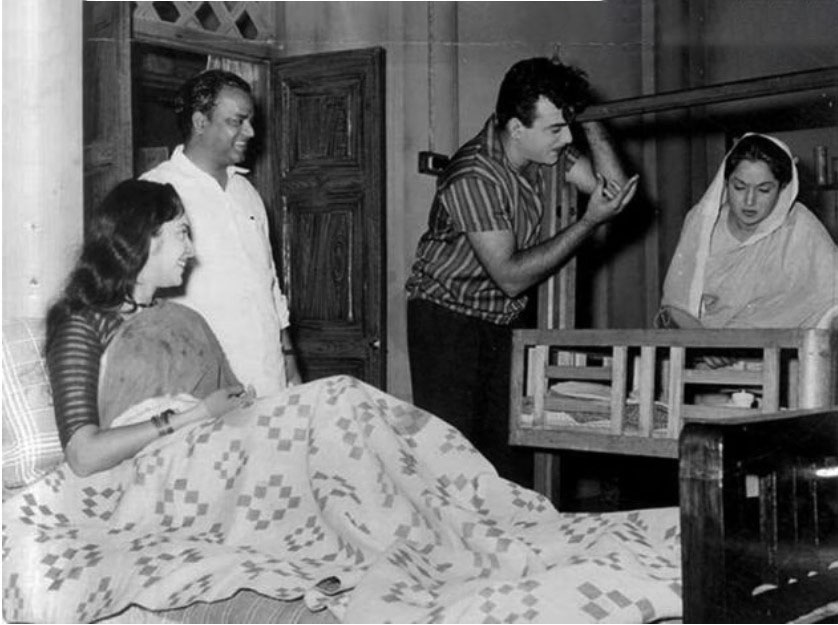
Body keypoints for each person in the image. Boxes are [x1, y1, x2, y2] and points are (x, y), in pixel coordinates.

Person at [405, 57, 639, 487]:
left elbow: (616, 193)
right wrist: (587, 222)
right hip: (447, 321)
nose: (565, 138)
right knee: (453, 463)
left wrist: (587, 118)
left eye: (566, 125)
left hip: (502, 320)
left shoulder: (547, 153)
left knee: (509, 463)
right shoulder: (473, 175)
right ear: (516, 129)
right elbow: (510, 275)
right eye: (555, 129)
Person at [45, 179, 252, 477]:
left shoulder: (186, 320)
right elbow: (83, 456)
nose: (191, 250)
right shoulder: (82, 325)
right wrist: (198, 415)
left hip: (209, 467)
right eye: (182, 233)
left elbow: (232, 407)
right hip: (132, 485)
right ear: (145, 237)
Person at [141, 69, 300, 396]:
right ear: (200, 123)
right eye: (236, 121)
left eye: (250, 120)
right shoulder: (155, 190)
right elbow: (139, 295)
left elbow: (269, 284)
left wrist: (288, 358)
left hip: (267, 375)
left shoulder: (247, 192)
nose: (251, 131)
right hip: (200, 387)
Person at [658, 133, 838, 330]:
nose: (749, 201)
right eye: (740, 187)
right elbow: (676, 304)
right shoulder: (702, 224)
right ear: (725, 183)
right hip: (707, 351)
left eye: (764, 190)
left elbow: (832, 298)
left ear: (782, 188)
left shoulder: (801, 226)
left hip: (777, 355)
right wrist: (708, 345)